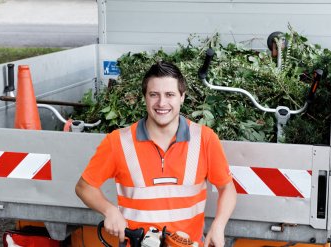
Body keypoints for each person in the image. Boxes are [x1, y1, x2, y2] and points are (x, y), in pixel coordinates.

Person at [75, 61, 236, 247]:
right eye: (154, 95)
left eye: (170, 95)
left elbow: (227, 188)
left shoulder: (205, 139)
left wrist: (219, 225)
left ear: (182, 97)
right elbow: (83, 187)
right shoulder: (118, 142)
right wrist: (109, 210)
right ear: (145, 97)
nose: (162, 103)